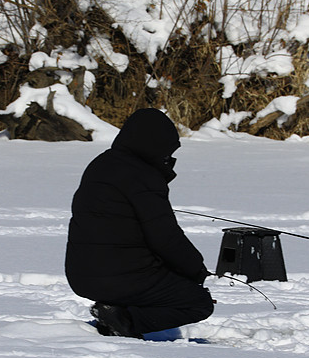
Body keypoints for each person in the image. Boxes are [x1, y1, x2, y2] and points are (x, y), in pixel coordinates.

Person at [65, 108, 214, 339]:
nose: (168, 158)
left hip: (81, 276)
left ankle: (114, 313)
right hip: (120, 276)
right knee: (197, 302)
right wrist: (195, 271)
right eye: (167, 151)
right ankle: (123, 321)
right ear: (154, 144)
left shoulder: (101, 164)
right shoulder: (143, 175)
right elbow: (165, 237)